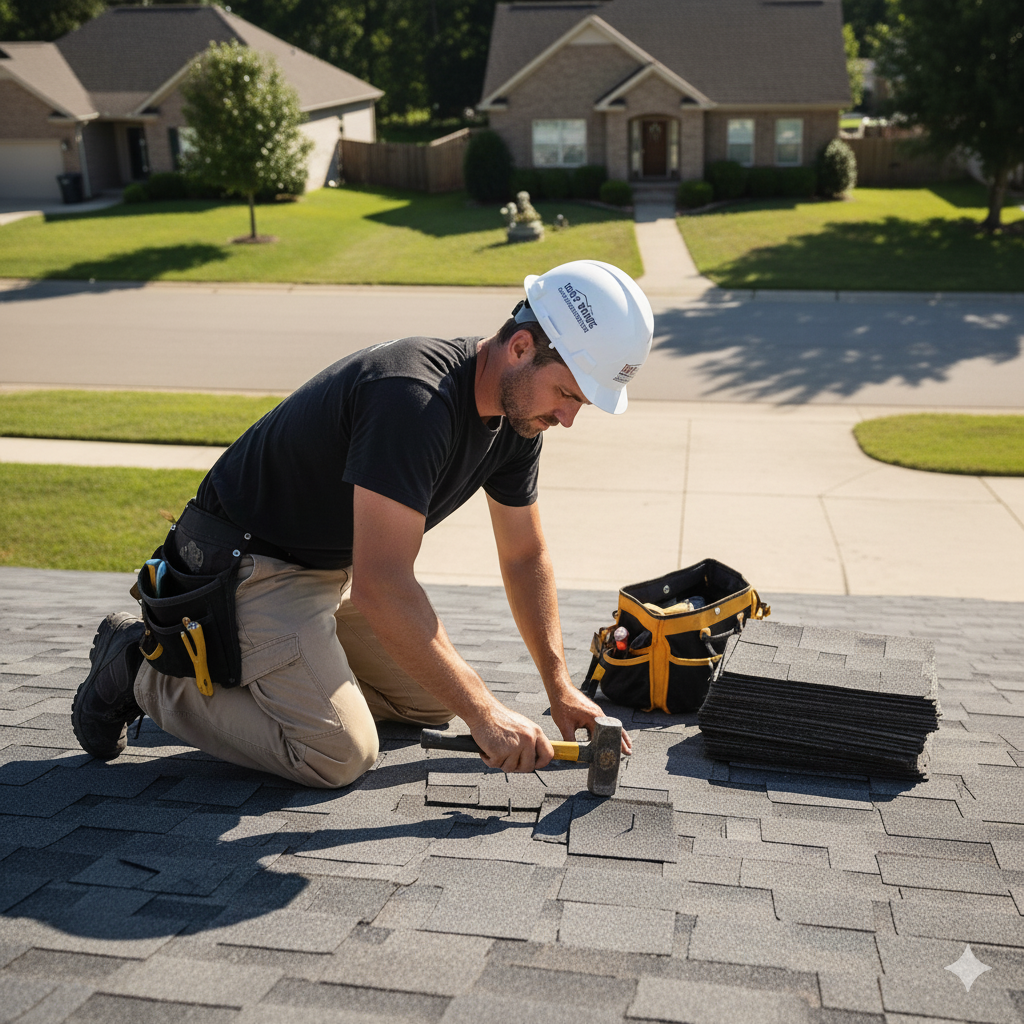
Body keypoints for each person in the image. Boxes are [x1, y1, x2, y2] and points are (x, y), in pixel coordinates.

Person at [71, 260, 654, 788]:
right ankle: (140, 667)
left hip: (318, 574)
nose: (569, 418)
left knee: (429, 702)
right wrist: (487, 711)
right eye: (567, 395)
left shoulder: (516, 421)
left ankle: (267, 671)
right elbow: (383, 586)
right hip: (241, 569)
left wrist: (559, 686)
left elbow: (524, 557)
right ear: (521, 347)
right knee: (339, 753)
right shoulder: (414, 397)